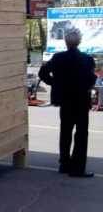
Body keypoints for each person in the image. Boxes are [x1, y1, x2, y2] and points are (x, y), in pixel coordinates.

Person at [38, 28, 96, 177]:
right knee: (81, 134)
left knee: (65, 132)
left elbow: (42, 73)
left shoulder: (58, 58)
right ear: (79, 41)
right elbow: (91, 79)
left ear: (65, 42)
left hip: (65, 100)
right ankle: (77, 168)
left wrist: (55, 83)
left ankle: (64, 164)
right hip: (81, 101)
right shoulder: (87, 59)